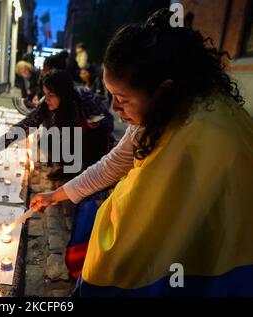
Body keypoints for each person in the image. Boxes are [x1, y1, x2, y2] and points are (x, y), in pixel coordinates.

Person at [29, 8, 253, 296]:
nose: (114, 109)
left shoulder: (206, 133)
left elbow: (157, 219)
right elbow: (115, 163)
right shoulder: (159, 111)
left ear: (164, 90)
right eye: (111, 96)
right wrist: (55, 195)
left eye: (122, 99)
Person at [0, 70, 114, 179]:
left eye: (51, 95)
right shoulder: (45, 105)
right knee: (46, 141)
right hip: (68, 141)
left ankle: (87, 170)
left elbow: (109, 122)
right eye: (45, 94)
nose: (47, 99)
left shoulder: (84, 98)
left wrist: (95, 124)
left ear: (64, 94)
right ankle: (67, 167)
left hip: (89, 141)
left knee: (95, 140)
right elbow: (22, 127)